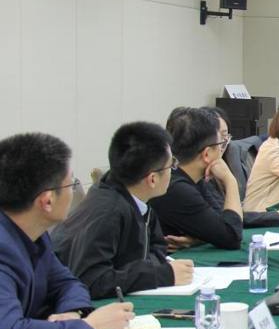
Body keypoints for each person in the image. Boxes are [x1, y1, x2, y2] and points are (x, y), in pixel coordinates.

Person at [0, 133, 135, 329]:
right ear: (47, 201)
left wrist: (72, 312)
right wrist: (90, 328)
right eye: (71, 184)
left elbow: (66, 283)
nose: (73, 192)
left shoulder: (33, 232)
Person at [52, 122, 194, 299]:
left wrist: (143, 269)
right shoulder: (108, 212)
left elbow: (157, 246)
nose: (173, 171)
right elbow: (91, 281)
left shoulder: (136, 198)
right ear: (152, 179)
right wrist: (161, 275)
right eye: (171, 165)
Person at [149, 107, 245, 250]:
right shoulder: (176, 188)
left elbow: (220, 221)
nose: (222, 149)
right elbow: (233, 236)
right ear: (206, 154)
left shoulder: (193, 178)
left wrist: (198, 239)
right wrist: (230, 180)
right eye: (220, 144)